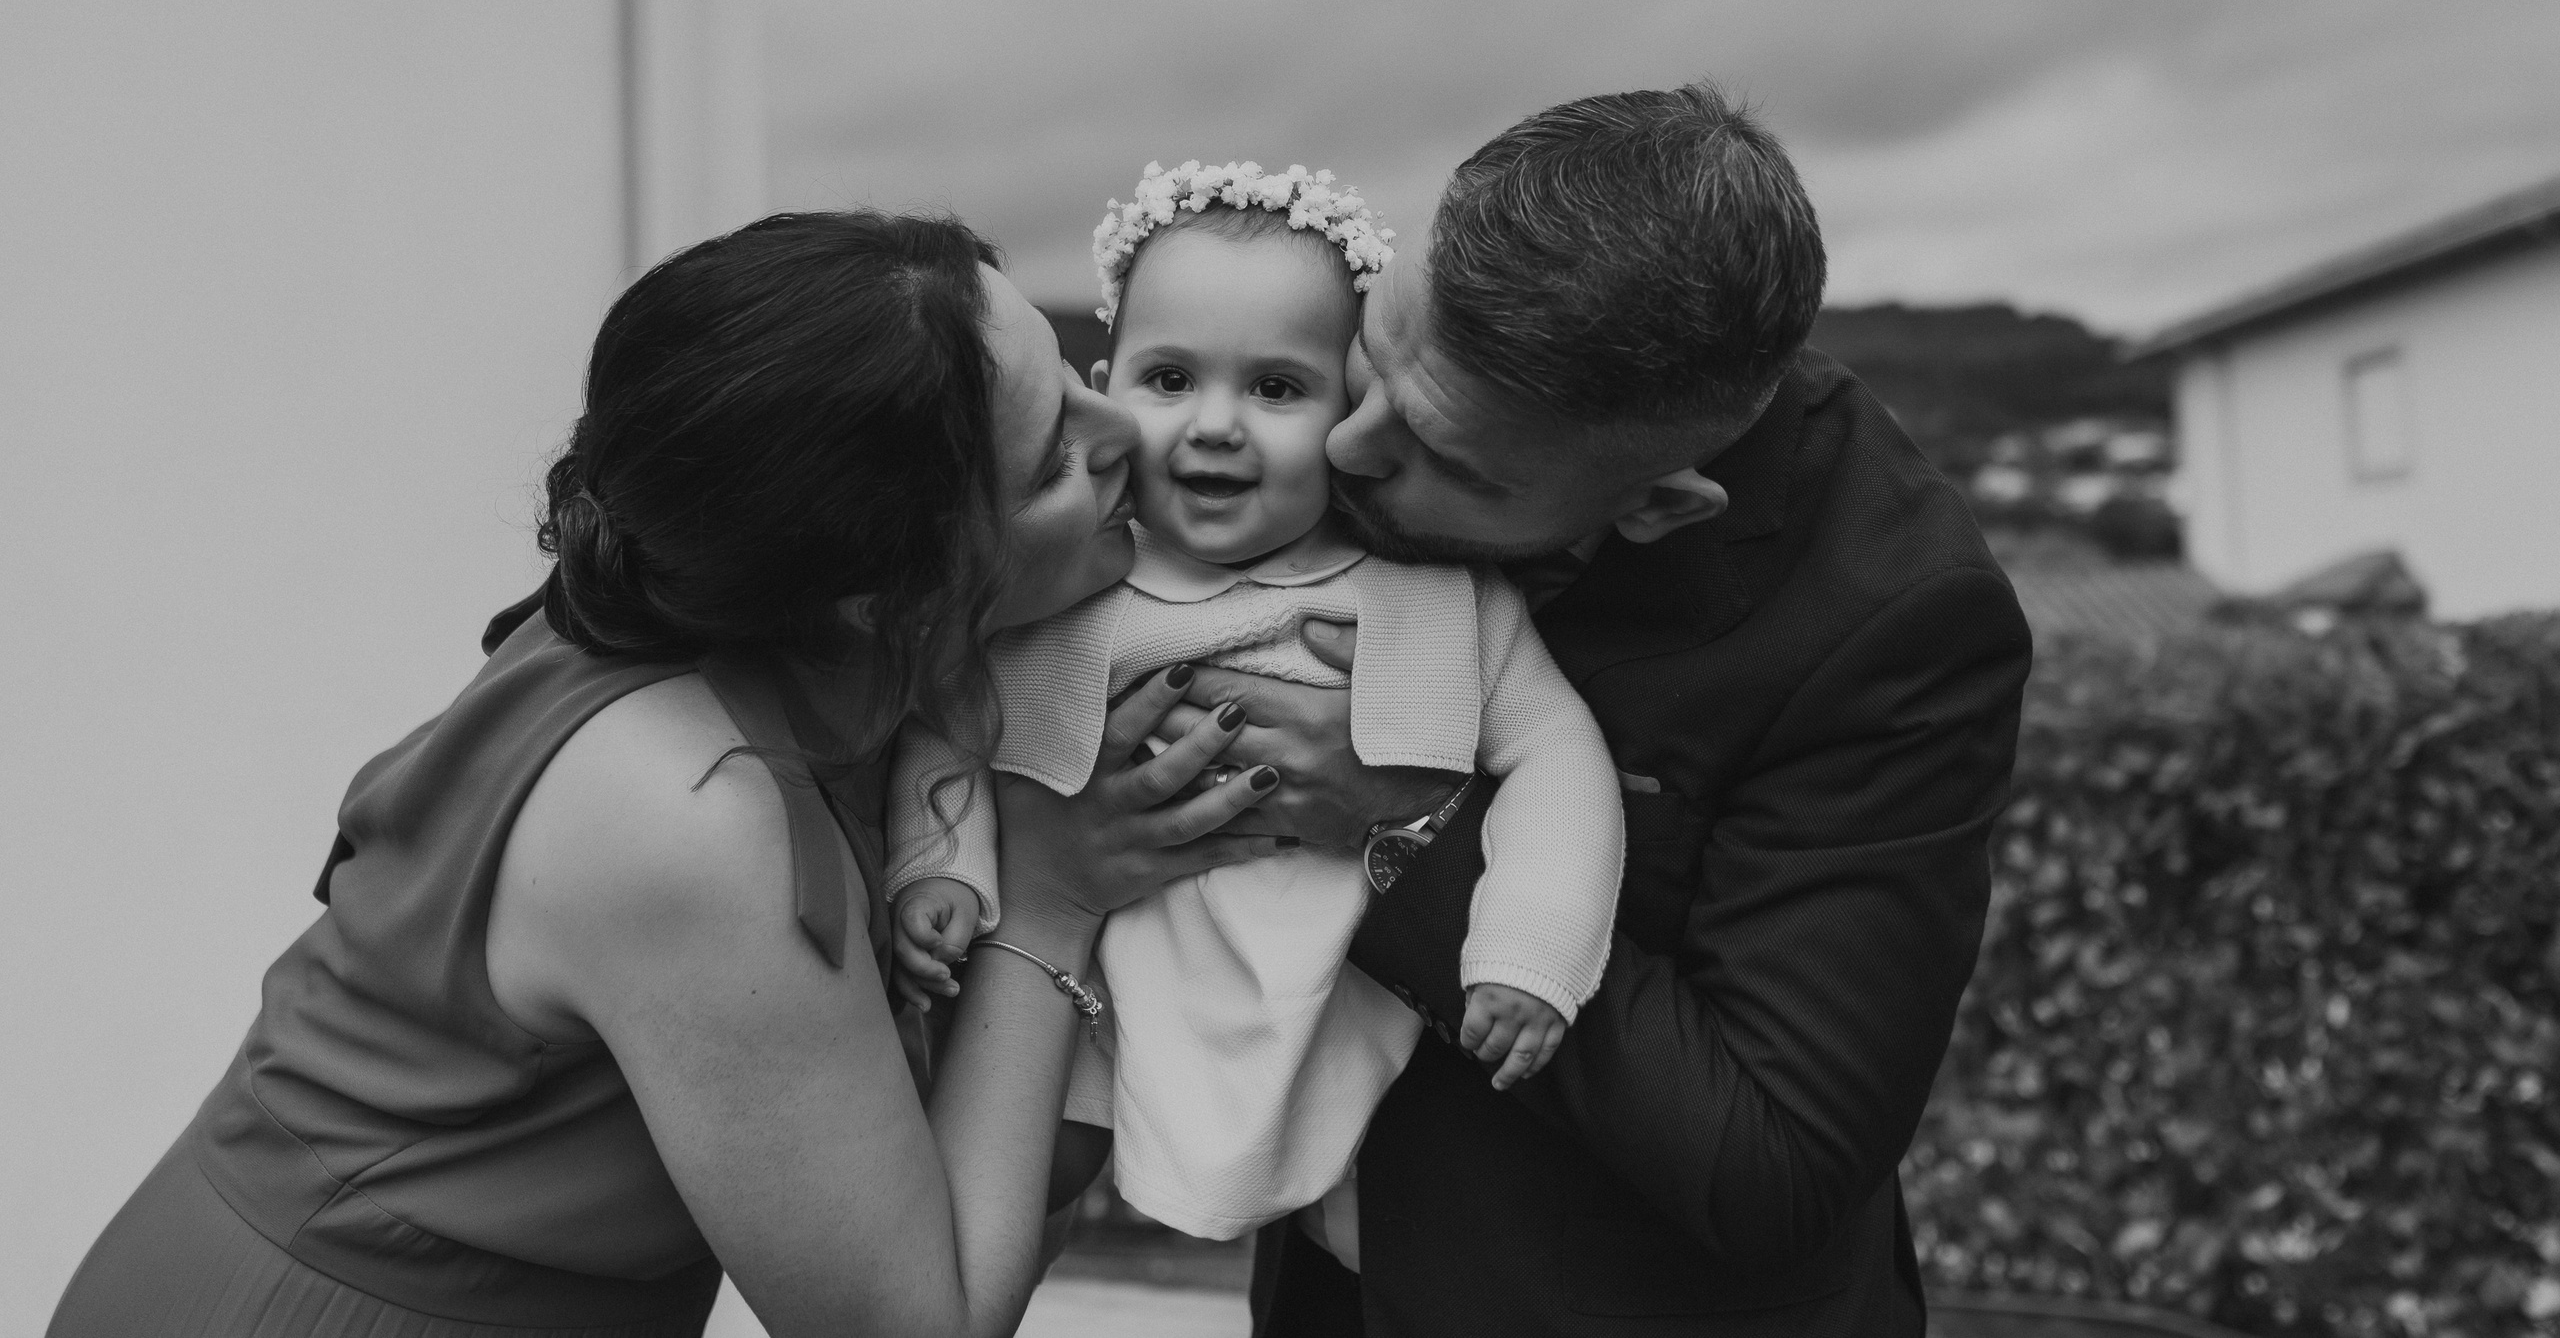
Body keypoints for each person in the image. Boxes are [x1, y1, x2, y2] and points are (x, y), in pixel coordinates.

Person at [47, 211, 1292, 1338]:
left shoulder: (751, 608)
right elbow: (923, 1322)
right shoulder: (689, 810)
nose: (1129, 425)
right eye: (1052, 463)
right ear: (880, 592)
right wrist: (1062, 897)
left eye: (1075, 372)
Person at [1173, 85, 2035, 1336]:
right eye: (1370, 359)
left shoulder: (1894, 621)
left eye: (1446, 459)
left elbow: (1773, 1164)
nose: (1347, 451)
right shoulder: (1366, 428)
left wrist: (1394, 830)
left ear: (1660, 506)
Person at [886, 163, 1623, 1245]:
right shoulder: (1070, 580)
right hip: (1105, 992)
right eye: (1171, 377)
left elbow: (1558, 751)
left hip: (1335, 1000)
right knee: (1015, 1173)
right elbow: (946, 724)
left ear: (1351, 407)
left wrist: (1529, 945)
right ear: (1106, 383)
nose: (1217, 424)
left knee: (1434, 1236)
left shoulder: (1417, 593)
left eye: (1276, 388)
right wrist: (935, 862)